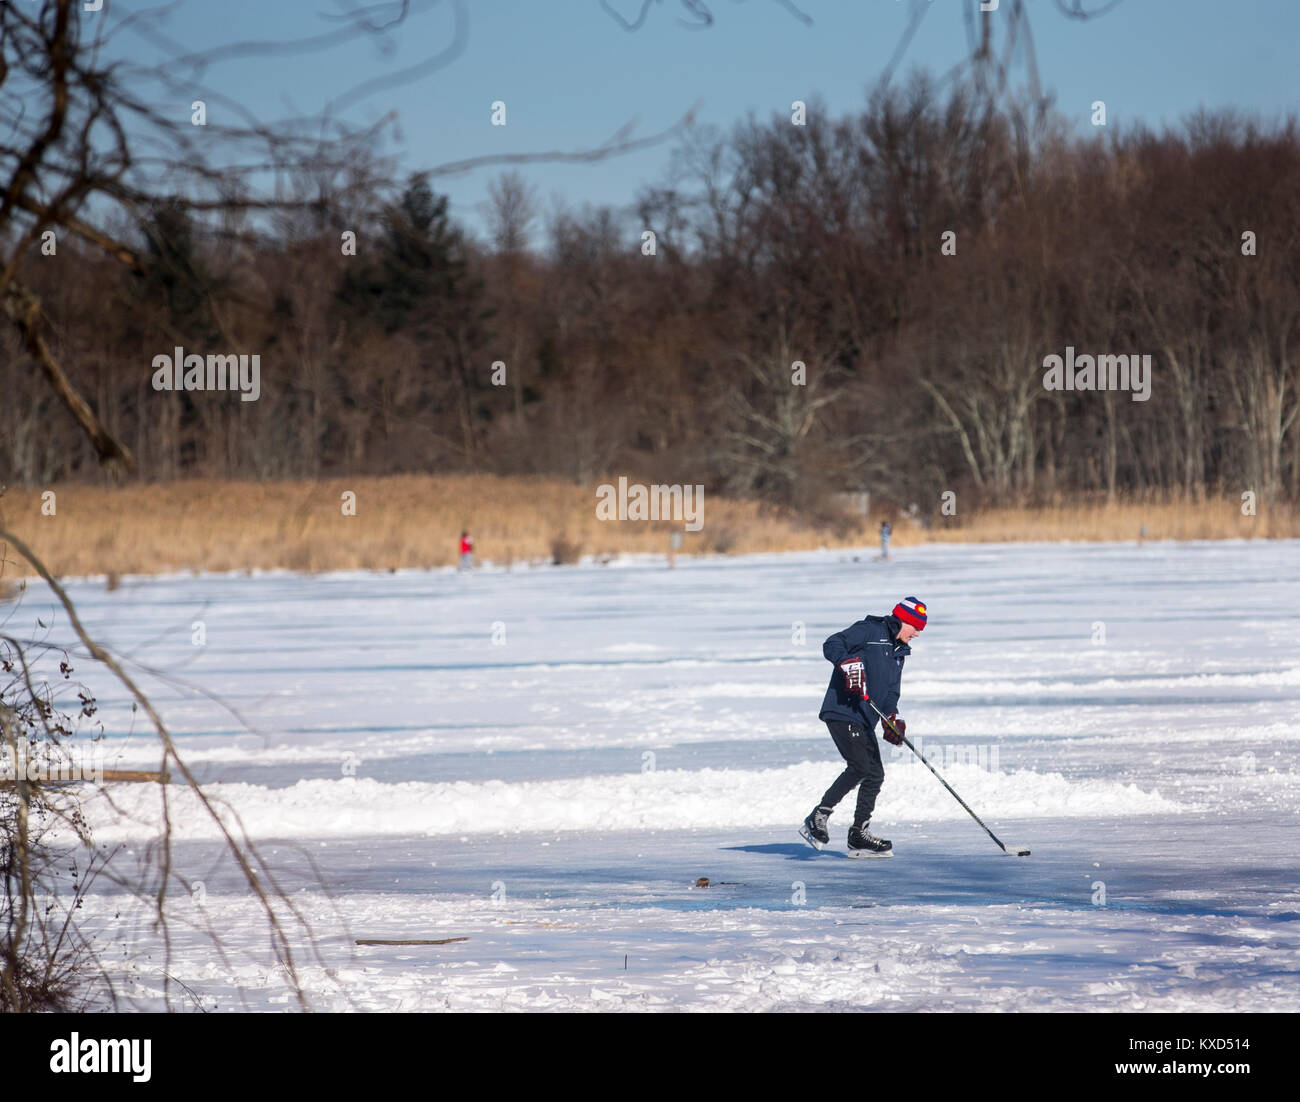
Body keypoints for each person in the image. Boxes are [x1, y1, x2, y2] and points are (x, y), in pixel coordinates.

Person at [800, 596, 927, 857]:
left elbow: (892, 691)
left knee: (875, 774)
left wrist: (892, 718)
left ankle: (858, 834)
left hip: (865, 717)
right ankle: (818, 816)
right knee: (860, 766)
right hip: (842, 711)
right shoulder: (870, 631)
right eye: (915, 627)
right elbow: (832, 644)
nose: (917, 633)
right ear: (903, 620)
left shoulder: (900, 652)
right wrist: (848, 664)